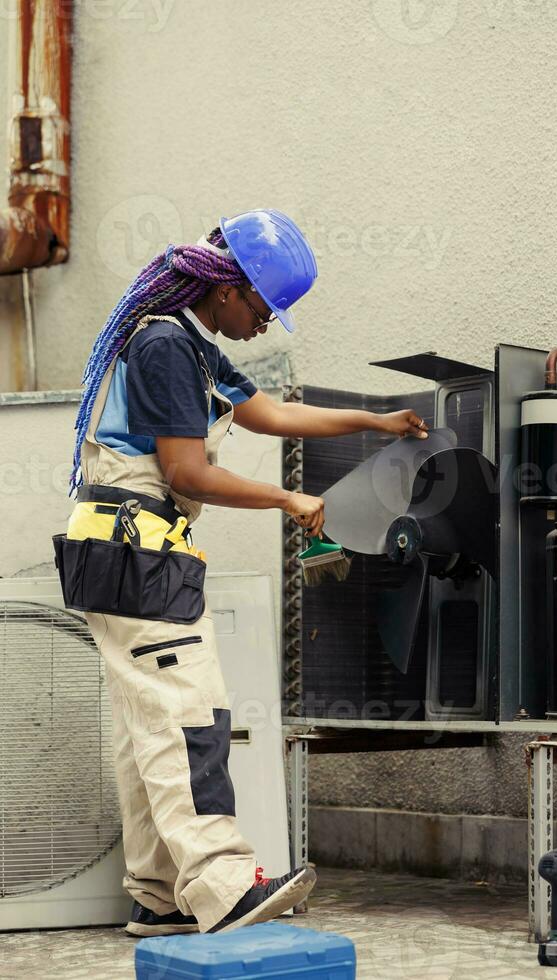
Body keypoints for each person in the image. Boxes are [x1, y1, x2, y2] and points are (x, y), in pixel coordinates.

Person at [57, 209, 429, 937]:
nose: (265, 324)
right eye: (263, 308)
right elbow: (186, 469)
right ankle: (223, 886)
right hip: (140, 553)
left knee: (148, 730)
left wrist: (372, 424)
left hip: (122, 550)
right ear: (227, 290)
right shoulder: (165, 345)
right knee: (190, 716)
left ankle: (158, 896)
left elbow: (266, 413)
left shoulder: (191, 345)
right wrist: (287, 497)